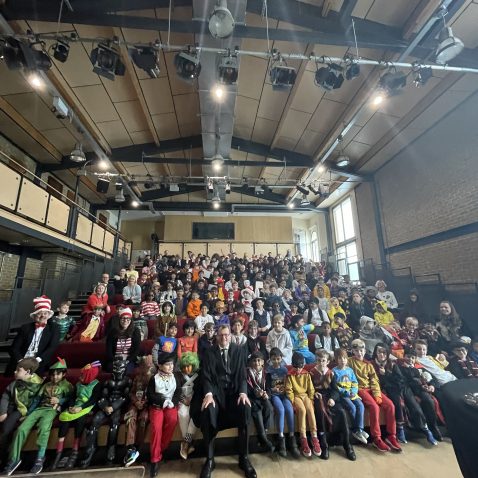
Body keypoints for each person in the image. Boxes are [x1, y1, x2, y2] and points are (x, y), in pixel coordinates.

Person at [193, 324, 257, 478]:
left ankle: (244, 458)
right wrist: (208, 394)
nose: (224, 338)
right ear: (217, 336)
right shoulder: (209, 352)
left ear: (231, 335)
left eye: (227, 334)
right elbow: (206, 376)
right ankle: (209, 460)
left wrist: (243, 392)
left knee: (245, 407)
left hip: (234, 393)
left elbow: (242, 375)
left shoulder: (239, 350)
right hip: (216, 393)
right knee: (207, 410)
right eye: (221, 335)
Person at [3, 358, 73, 476]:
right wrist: (28, 413)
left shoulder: (67, 386)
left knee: (43, 428)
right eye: (53, 375)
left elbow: (71, 399)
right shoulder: (46, 385)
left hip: (51, 410)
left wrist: (60, 400)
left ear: (64, 374)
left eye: (58, 374)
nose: (55, 377)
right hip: (39, 409)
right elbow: (37, 400)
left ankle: (40, 458)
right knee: (21, 429)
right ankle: (14, 458)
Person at [348, 339, 401, 453]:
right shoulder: (349, 362)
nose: (359, 353)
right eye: (356, 350)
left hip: (371, 389)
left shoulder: (368, 364)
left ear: (364, 351)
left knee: (390, 405)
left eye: (361, 350)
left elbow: (374, 380)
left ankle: (391, 435)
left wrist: (377, 394)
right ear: (352, 351)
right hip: (359, 389)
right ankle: (377, 438)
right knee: (374, 407)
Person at [80, 357, 132, 468]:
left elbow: (125, 397)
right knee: (95, 421)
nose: (118, 370)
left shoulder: (127, 381)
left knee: (114, 424)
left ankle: (111, 448)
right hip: (106, 405)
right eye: (116, 367)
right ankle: (91, 449)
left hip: (117, 407)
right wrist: (105, 407)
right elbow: (102, 397)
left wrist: (113, 407)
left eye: (120, 367)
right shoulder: (107, 381)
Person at [51, 361, 102, 470]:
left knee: (80, 420)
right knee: (64, 420)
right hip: (75, 406)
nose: (80, 377)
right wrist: (71, 406)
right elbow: (72, 397)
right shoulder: (78, 384)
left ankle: (75, 451)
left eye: (83, 375)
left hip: (86, 407)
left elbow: (93, 400)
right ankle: (59, 452)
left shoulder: (96, 384)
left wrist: (81, 408)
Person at [310, 349, 356, 461]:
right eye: (319, 360)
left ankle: (347, 445)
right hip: (318, 398)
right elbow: (310, 388)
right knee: (320, 413)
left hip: (330, 397)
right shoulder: (311, 373)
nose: (321, 363)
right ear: (316, 361)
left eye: (323, 360)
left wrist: (333, 399)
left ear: (328, 361)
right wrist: (314, 393)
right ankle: (324, 445)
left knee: (341, 412)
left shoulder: (331, 373)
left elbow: (335, 390)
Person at [0, 358, 43, 465]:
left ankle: (3, 457)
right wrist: (2, 412)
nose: (15, 372)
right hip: (9, 407)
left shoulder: (38, 385)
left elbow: (37, 402)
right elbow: (5, 396)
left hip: (20, 410)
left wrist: (28, 414)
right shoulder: (15, 383)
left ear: (28, 372)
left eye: (18, 370)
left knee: (5, 430)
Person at [6, 295, 60, 376]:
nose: (42, 316)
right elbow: (14, 348)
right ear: (34, 316)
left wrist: (37, 361)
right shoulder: (25, 328)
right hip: (21, 360)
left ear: (48, 315)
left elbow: (52, 347)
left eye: (45, 313)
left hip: (39, 361)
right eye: (39, 314)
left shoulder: (54, 328)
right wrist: (21, 361)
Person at [398, 348, 442, 443]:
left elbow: (433, 379)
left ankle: (433, 427)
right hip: (407, 389)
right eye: (408, 357)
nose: (410, 359)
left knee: (429, 401)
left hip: (419, 389)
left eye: (413, 357)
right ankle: (425, 429)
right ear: (404, 356)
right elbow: (402, 381)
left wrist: (431, 386)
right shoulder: (399, 367)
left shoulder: (419, 368)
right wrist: (417, 380)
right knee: (415, 407)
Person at [147, 352, 180, 478]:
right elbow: (150, 395)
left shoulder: (175, 377)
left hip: (171, 405)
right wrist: (162, 401)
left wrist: (173, 402)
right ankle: (155, 459)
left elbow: (178, 391)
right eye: (167, 364)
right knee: (156, 428)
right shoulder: (154, 378)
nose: (171, 367)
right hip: (157, 406)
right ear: (160, 366)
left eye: (171, 364)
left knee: (172, 420)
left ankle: (161, 448)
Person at [285, 352, 321, 458]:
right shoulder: (289, 375)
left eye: (300, 367)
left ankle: (314, 436)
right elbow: (289, 390)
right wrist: (292, 401)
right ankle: (303, 437)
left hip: (306, 396)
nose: (298, 370)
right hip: (296, 396)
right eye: (296, 367)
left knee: (310, 409)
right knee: (302, 410)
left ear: (303, 365)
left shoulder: (306, 374)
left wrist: (311, 399)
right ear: (293, 365)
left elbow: (311, 389)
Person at [265, 348, 299, 458]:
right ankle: (281, 438)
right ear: (270, 359)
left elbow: (288, 383)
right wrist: (273, 390)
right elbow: (267, 386)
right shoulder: (268, 370)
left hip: (284, 394)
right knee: (280, 410)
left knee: (289, 409)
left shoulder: (284, 370)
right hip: (275, 395)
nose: (276, 361)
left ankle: (292, 438)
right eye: (273, 359)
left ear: (281, 358)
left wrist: (285, 389)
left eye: (278, 359)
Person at [124, 355, 155, 467]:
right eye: (144, 366)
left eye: (148, 366)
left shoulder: (153, 379)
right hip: (135, 404)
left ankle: (138, 447)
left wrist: (144, 403)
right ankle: (130, 447)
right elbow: (131, 392)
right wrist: (136, 401)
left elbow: (153, 395)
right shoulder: (137, 378)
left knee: (144, 419)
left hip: (146, 406)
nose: (146, 368)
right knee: (130, 417)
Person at [333, 348, 368, 445]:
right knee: (352, 407)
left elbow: (355, 382)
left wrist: (353, 391)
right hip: (343, 396)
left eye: (344, 358)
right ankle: (355, 430)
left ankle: (359, 429)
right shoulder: (334, 372)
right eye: (340, 358)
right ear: (336, 359)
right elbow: (335, 387)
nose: (343, 360)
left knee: (360, 406)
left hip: (352, 394)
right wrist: (346, 392)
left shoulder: (350, 370)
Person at [246, 351, 275, 453]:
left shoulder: (267, 374)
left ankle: (264, 435)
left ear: (263, 362)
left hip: (263, 398)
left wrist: (267, 394)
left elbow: (269, 388)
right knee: (257, 411)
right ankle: (263, 438)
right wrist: (255, 393)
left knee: (269, 407)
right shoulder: (247, 374)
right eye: (254, 361)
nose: (257, 363)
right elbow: (246, 389)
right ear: (250, 363)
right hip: (252, 398)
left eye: (259, 360)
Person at [176, 352, 200, 460]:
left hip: (195, 400)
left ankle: (185, 443)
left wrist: (193, 400)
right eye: (184, 366)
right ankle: (188, 442)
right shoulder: (178, 376)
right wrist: (183, 400)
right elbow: (175, 391)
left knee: (195, 416)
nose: (186, 368)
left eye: (189, 366)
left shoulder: (198, 376)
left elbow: (200, 390)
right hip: (182, 401)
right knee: (183, 414)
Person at [105, 308, 141, 373]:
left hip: (129, 360)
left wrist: (127, 361)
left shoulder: (136, 331)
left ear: (131, 320)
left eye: (128, 318)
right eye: (123, 318)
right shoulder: (113, 332)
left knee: (125, 371)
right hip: (114, 360)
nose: (125, 320)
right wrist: (115, 360)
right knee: (113, 370)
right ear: (119, 319)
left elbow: (136, 350)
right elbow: (108, 350)